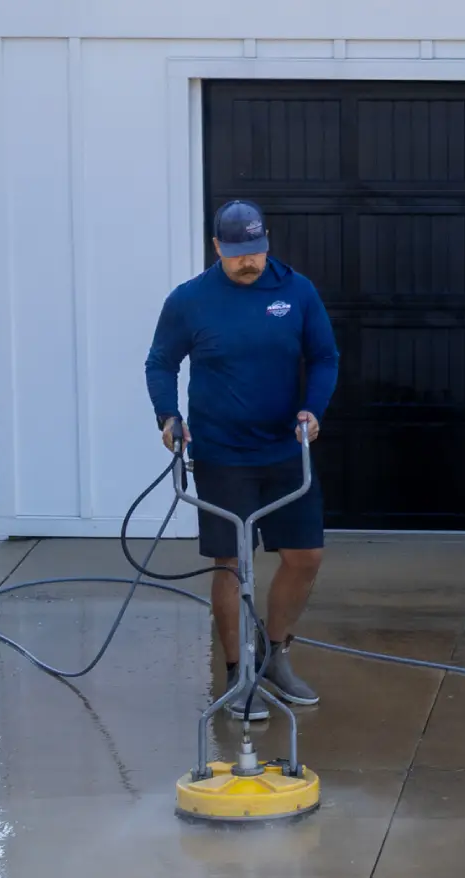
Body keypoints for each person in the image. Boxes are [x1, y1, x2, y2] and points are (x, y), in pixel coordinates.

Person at [144, 199, 339, 721]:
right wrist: (168, 417)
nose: (247, 262)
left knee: (305, 558)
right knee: (232, 565)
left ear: (266, 242)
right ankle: (237, 675)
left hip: (284, 450)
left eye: (254, 251)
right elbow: (161, 362)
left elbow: (324, 356)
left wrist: (312, 410)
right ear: (217, 249)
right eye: (236, 254)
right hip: (221, 453)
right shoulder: (191, 300)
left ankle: (276, 655)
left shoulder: (297, 292)